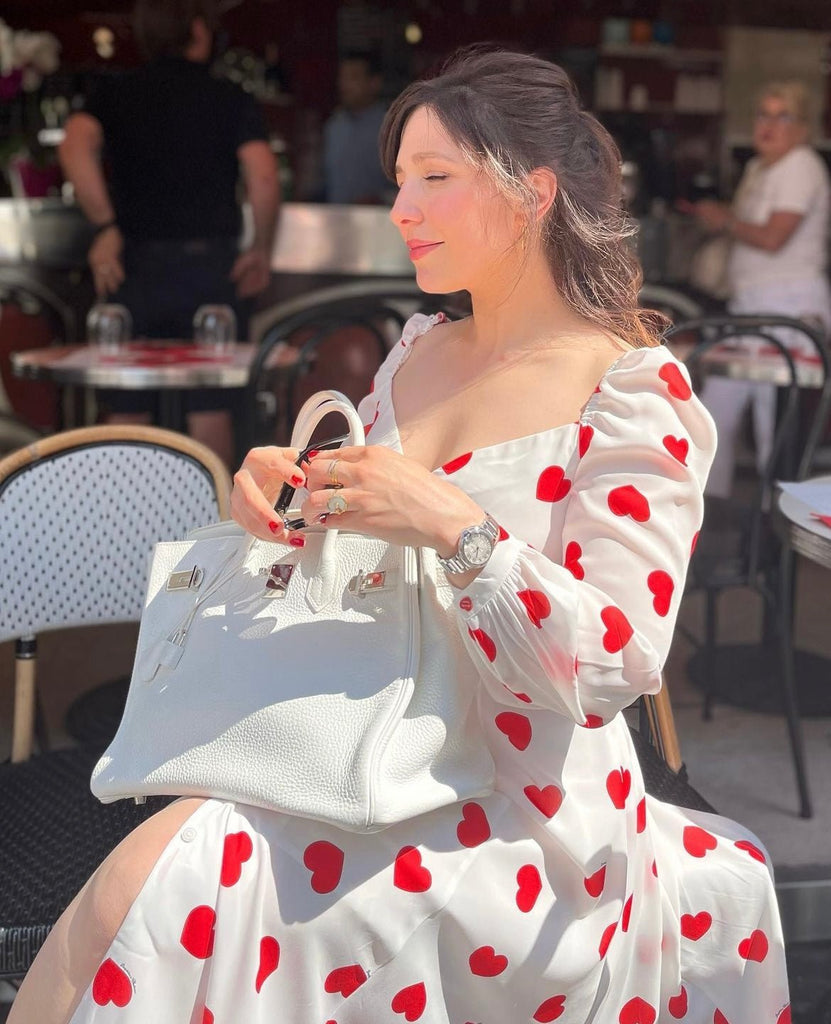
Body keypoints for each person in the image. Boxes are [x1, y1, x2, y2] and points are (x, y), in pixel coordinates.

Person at [12, 48, 790, 1024]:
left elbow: (615, 662)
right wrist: (289, 505)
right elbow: (355, 559)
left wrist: (448, 521)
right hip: (352, 744)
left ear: (532, 194)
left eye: (433, 178)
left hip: (514, 805)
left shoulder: (630, 391)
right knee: (143, 884)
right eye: (399, 182)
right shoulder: (418, 348)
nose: (401, 209)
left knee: (159, 883)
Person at [58, 0, 280, 466]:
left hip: (132, 267)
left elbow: (74, 147)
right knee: (210, 407)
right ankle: (213, 509)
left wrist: (106, 226)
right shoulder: (228, 95)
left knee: (127, 406)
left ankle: (118, 508)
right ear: (198, 30)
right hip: (209, 270)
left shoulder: (116, 91)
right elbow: (262, 175)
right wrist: (261, 248)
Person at [684, 79, 831, 498]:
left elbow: (773, 238)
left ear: (802, 127)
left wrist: (725, 221)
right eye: (764, 115)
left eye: (783, 116)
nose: (769, 125)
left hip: (788, 308)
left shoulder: (801, 166)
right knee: (715, 415)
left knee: (774, 425)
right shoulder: (759, 168)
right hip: (752, 307)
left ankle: (773, 523)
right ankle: (705, 514)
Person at [322, 50, 389, 204]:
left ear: (374, 83)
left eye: (353, 77)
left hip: (380, 217)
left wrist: (379, 199)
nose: (345, 85)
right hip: (336, 215)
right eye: (342, 78)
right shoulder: (334, 125)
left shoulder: (390, 127)